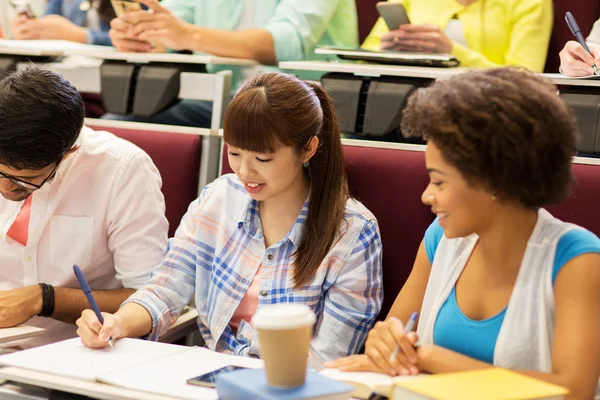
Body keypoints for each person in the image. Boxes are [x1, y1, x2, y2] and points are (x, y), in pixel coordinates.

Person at [327, 68, 600, 399]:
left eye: (439, 181)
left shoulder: (578, 259)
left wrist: (432, 358)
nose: (427, 196)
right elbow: (395, 335)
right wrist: (384, 341)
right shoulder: (439, 239)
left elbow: (573, 390)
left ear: (495, 181)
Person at [76, 72, 384, 363]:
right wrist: (117, 323)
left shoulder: (353, 233)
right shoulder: (218, 199)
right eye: (234, 153)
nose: (245, 172)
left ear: (308, 149)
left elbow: (329, 357)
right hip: (210, 379)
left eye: (263, 158)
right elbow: (165, 290)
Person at [0, 67, 168, 348]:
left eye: (24, 180)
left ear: (69, 152)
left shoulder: (122, 170)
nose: (5, 189)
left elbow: (149, 297)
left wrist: (44, 298)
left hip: (70, 352)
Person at [102, 0, 358, 127]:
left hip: (299, 105)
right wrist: (140, 35)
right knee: (117, 124)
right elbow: (171, 27)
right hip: (220, 100)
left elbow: (285, 43)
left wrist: (188, 34)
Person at [363, 0, 552, 72]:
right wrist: (387, 50)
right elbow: (362, 58)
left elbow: (526, 81)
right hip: (399, 106)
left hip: (488, 115)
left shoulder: (530, 3)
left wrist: (453, 54)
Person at [11, 0, 114, 45]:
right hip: (65, 66)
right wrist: (30, 30)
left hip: (112, 68)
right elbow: (47, 22)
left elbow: (127, 38)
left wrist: (80, 36)